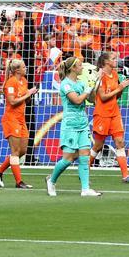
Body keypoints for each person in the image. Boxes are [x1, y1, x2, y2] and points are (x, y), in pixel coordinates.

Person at [45, 57, 103, 197]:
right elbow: (77, 101)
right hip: (70, 125)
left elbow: (90, 99)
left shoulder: (81, 83)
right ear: (73, 68)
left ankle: (85, 189)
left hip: (83, 123)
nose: (82, 67)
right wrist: (89, 89)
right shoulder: (65, 84)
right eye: (79, 65)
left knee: (84, 155)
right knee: (68, 158)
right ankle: (51, 181)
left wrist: (97, 82)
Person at [90, 51, 129, 184]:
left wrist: (122, 88)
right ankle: (85, 169)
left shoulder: (115, 74)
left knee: (120, 142)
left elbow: (116, 96)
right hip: (102, 114)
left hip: (115, 113)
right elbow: (104, 97)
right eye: (113, 58)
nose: (116, 60)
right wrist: (120, 87)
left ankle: (125, 176)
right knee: (98, 145)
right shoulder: (100, 76)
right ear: (106, 62)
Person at [0, 59, 38, 189]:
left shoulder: (24, 81)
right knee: (15, 151)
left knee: (22, 150)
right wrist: (28, 94)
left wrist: (30, 94)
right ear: (17, 70)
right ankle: (19, 182)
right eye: (24, 67)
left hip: (21, 118)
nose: (26, 69)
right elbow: (12, 102)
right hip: (11, 119)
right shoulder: (11, 83)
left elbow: (25, 98)